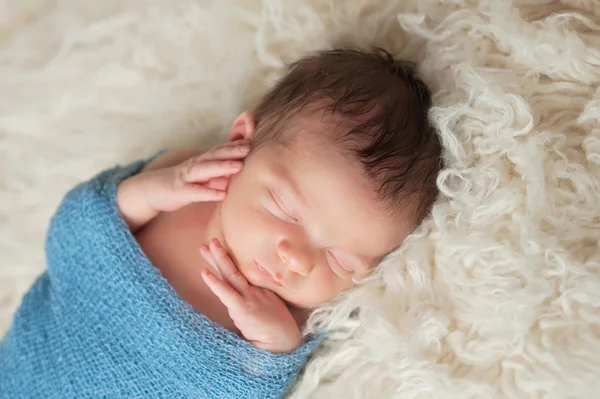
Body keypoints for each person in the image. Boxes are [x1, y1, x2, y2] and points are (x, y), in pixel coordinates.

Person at [0, 48, 442, 398]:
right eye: (285, 210)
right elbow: (74, 237)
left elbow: (251, 388)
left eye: (340, 260)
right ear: (240, 145)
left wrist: (275, 346)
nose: (297, 259)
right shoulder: (178, 186)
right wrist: (149, 190)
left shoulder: (291, 315)